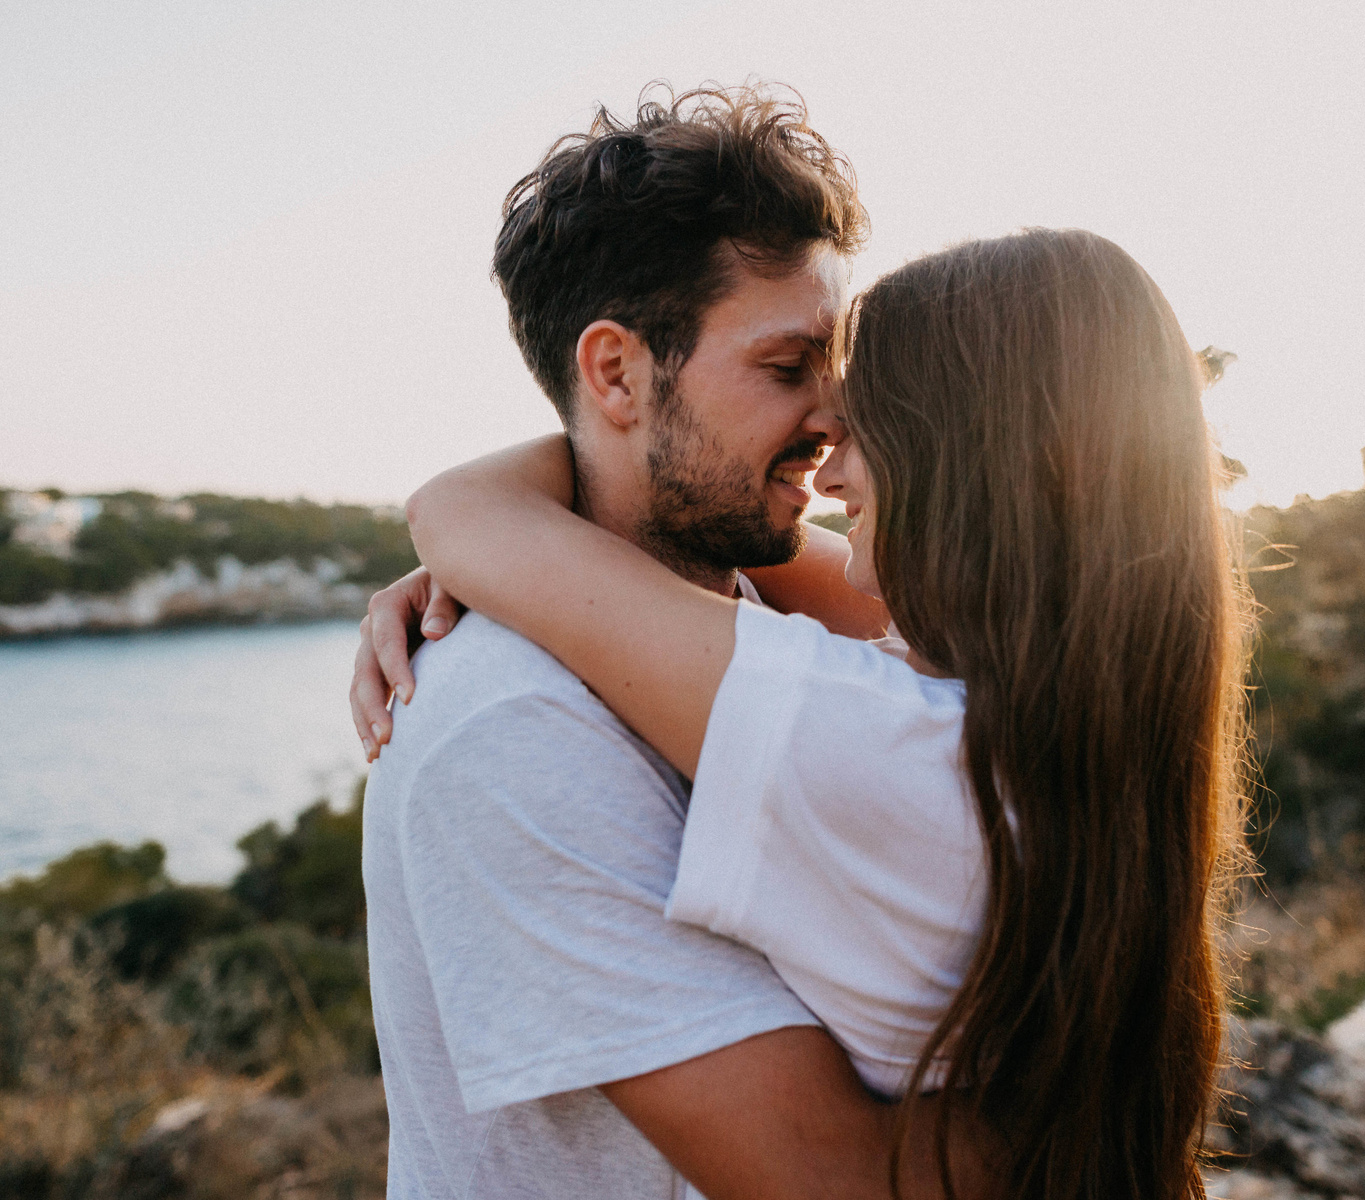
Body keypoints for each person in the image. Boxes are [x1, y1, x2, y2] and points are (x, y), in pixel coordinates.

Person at [357, 227, 1254, 1199]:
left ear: (975, 465)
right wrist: (541, 546)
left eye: (867, 416)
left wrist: (529, 532)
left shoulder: (883, 736)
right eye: (789, 368)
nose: (829, 455)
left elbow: (460, 512)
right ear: (614, 370)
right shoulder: (1075, 713)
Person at [354, 84, 985, 1200]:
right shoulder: (511, 723)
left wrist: (486, 517)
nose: (838, 419)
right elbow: (835, 1182)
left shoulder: (787, 625)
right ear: (616, 374)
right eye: (788, 370)